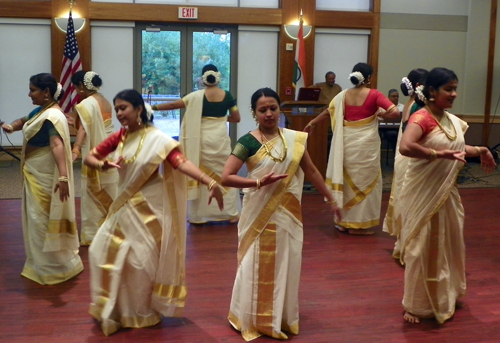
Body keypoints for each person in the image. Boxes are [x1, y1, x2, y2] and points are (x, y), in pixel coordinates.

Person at [84, 89, 224, 336]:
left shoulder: (158, 139)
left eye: (123, 108)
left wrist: (209, 181)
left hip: (150, 206)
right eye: (116, 109)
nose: (118, 113)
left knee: (139, 263)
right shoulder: (120, 136)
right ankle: (114, 309)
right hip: (124, 205)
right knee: (99, 250)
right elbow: (90, 157)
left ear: (138, 109)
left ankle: (141, 311)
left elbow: (181, 162)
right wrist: (103, 163)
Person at [222, 88, 342, 341]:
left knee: (285, 264)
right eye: (262, 110)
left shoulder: (294, 139)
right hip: (258, 215)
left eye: (272, 108)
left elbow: (311, 171)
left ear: (279, 110)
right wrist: (257, 183)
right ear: (254, 113)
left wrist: (331, 198)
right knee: (254, 264)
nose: (268, 113)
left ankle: (279, 317)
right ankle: (250, 317)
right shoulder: (247, 142)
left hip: (288, 215)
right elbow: (226, 177)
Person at [398, 67, 496, 324]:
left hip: (446, 194)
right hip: (423, 192)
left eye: (455, 88)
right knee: (421, 248)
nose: (454, 94)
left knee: (448, 244)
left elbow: (455, 146)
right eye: (448, 89)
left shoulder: (449, 120)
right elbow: (406, 146)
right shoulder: (422, 117)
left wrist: (482, 149)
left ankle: (446, 294)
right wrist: (437, 155)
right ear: (432, 91)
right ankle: (415, 305)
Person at [1, 73, 83, 284]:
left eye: (33, 90)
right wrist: (11, 126)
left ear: (46, 92)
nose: (29, 94)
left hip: (45, 176)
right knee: (37, 218)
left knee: (42, 219)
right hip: (34, 171)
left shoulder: (53, 116)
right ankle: (41, 262)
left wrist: (64, 177)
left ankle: (53, 267)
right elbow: (24, 120)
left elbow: (57, 145)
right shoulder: (41, 111)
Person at [304, 62, 400, 235]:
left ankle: (344, 222)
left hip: (347, 144)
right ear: (369, 78)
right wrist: (381, 114)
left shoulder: (343, 95)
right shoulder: (374, 94)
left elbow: (328, 111)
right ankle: (360, 225)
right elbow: (395, 112)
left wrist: (312, 123)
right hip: (366, 147)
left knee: (347, 182)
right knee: (367, 181)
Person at [153, 64, 241, 224]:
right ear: (217, 76)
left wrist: (152, 107)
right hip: (220, 140)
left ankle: (199, 216)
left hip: (201, 142)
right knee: (224, 172)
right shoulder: (228, 96)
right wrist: (221, 118)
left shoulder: (196, 96)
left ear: (203, 78)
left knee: (200, 172)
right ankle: (231, 213)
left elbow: (173, 105)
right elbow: (236, 118)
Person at [382, 68, 428, 259]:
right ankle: (409, 247)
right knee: (412, 200)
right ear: (419, 86)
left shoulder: (410, 104)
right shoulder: (416, 107)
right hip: (410, 159)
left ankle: (404, 244)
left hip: (404, 158)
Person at [70, 70, 118, 245]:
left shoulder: (86, 104)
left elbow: (84, 129)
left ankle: (93, 233)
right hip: (111, 148)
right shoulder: (105, 101)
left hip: (96, 150)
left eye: (76, 87)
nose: (75, 90)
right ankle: (111, 229)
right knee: (110, 188)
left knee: (92, 190)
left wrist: (75, 149)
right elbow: (96, 124)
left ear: (82, 86)